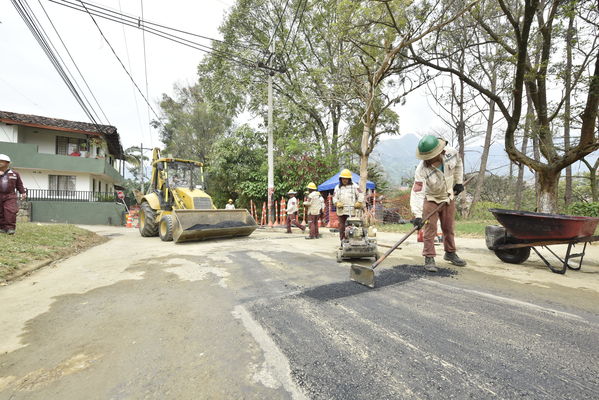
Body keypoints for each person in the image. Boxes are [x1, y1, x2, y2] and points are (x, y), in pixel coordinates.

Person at [410, 136, 466, 272]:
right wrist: (418, 215)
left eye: (430, 156)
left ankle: (450, 253)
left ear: (439, 151)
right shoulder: (421, 170)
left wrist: (458, 182)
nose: (427, 159)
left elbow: (458, 164)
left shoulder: (452, 153)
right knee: (430, 229)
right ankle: (429, 256)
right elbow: (418, 192)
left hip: (448, 196)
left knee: (448, 227)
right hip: (431, 198)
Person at [333, 169, 364, 244]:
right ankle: (342, 241)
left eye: (346, 178)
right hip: (341, 210)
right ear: (340, 179)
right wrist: (337, 203)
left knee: (351, 226)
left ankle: (351, 241)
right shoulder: (337, 187)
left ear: (349, 179)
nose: (345, 180)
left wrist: (359, 202)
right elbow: (334, 197)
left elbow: (361, 194)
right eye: (343, 178)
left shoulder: (354, 186)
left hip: (351, 209)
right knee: (342, 226)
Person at [0, 154, 27, 235]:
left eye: (1, 161)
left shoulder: (14, 174)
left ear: (7, 163)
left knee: (10, 211)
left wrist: (23, 192)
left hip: (10, 195)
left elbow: (19, 184)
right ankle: (2, 228)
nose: (0, 163)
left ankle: (10, 228)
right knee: (0, 212)